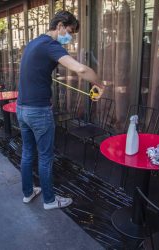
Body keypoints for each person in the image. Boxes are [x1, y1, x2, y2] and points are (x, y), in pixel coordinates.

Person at [16, 11, 104, 210]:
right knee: (45, 157)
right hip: (38, 111)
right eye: (70, 31)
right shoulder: (50, 45)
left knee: (28, 153)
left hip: (21, 109)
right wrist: (100, 83)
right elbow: (81, 69)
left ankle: (28, 193)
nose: (70, 36)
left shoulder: (34, 43)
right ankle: (49, 200)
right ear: (61, 25)